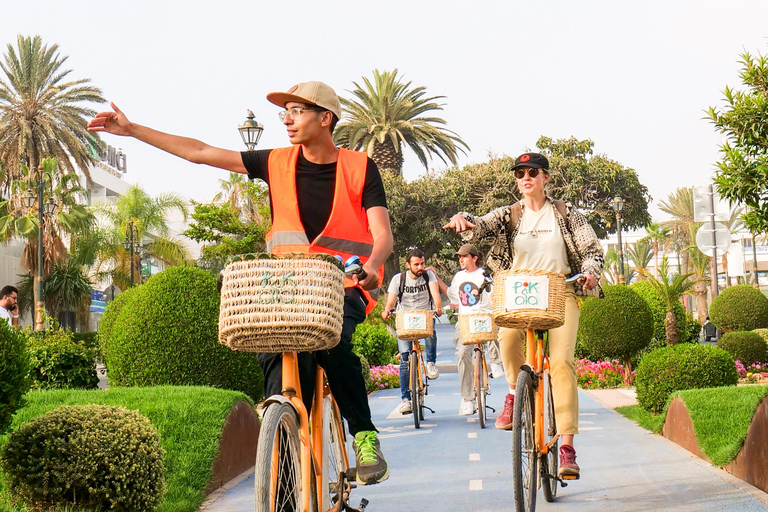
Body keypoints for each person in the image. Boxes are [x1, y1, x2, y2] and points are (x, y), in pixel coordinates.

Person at [88, 81, 393, 485]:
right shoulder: (276, 162)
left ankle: (365, 436)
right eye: (285, 111)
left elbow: (382, 233)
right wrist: (133, 130)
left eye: (297, 110)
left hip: (346, 288)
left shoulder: (359, 167)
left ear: (325, 118)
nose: (287, 118)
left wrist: (372, 265)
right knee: (274, 352)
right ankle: (281, 444)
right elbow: (200, 153)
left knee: (332, 344)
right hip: (287, 291)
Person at [443, 152, 604, 478]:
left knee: (560, 362)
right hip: (518, 295)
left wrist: (590, 271)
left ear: (546, 177)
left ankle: (567, 448)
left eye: (533, 172)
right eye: (520, 173)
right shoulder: (508, 215)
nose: (526, 177)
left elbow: (590, 249)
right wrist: (463, 219)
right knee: (506, 337)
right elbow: (480, 226)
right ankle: (516, 393)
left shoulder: (565, 212)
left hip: (561, 293)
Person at [432, 244, 503, 415]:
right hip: (465, 320)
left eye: (464, 257)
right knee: (463, 354)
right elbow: (451, 294)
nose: (461, 260)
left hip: (484, 316)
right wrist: (435, 277)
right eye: (459, 257)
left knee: (494, 323)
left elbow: (495, 294)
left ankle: (495, 362)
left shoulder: (485, 275)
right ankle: (468, 398)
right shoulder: (458, 276)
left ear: (474, 258)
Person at [382, 248, 443, 414]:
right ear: (408, 264)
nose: (420, 267)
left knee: (431, 331)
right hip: (405, 319)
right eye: (416, 264)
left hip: (424, 317)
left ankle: (430, 363)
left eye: (422, 263)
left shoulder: (428, 276)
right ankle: (405, 399)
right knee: (404, 360)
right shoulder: (399, 279)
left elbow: (435, 294)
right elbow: (391, 300)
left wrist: (438, 307)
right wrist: (387, 310)